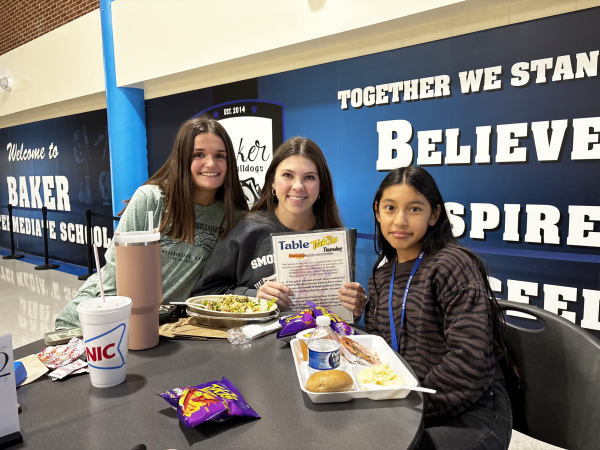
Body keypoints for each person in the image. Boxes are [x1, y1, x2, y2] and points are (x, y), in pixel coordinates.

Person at [364, 166, 512, 450]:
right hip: (411, 404)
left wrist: (410, 410)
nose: (401, 220)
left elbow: (469, 361)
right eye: (390, 207)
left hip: (471, 408)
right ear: (377, 212)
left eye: (415, 209)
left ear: (434, 215)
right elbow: (378, 355)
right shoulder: (381, 276)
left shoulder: (452, 265)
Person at [55, 116, 248, 329]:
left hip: (169, 326)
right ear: (182, 158)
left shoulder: (233, 216)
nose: (211, 164)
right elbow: (114, 273)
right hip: (110, 316)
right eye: (198, 155)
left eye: (220, 156)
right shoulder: (151, 198)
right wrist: (89, 319)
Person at [191, 137, 366, 318]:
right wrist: (253, 298)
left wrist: (354, 308)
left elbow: (341, 316)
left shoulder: (333, 240)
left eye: (309, 177)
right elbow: (204, 295)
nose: (298, 186)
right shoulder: (246, 231)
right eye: (288, 175)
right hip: (252, 344)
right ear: (272, 183)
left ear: (321, 186)